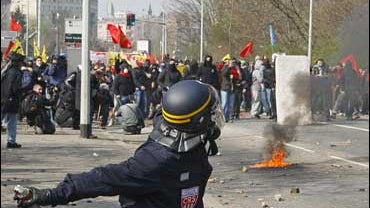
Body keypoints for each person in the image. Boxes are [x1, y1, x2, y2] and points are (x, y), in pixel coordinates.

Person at [14, 80, 225, 208]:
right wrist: (50, 195)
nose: (216, 118)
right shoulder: (157, 161)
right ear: (196, 121)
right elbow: (104, 178)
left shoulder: (193, 141)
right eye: (211, 114)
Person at [1, 51, 25, 148]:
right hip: (10, 99)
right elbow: (15, 87)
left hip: (3, 98)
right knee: (12, 121)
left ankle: (11, 140)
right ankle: (11, 141)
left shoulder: (5, 70)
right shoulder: (16, 72)